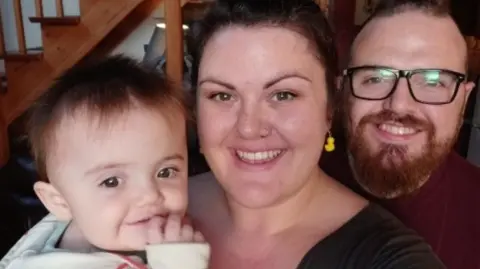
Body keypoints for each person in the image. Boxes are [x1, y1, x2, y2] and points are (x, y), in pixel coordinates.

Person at [0, 1, 445, 269]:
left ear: (331, 107)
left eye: (284, 94)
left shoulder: (388, 259)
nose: (250, 127)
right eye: (222, 95)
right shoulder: (119, 206)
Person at [0, 56, 209, 269]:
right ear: (59, 202)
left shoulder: (83, 226)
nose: (150, 195)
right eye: (111, 182)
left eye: (166, 172)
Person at [322, 0, 480, 268]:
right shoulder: (292, 180)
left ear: (464, 99)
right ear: (343, 91)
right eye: (375, 78)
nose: (399, 104)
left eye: (432, 81)